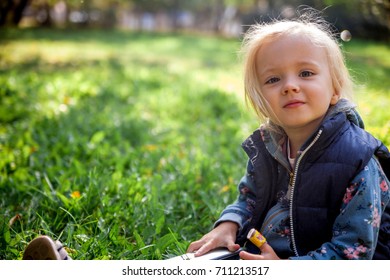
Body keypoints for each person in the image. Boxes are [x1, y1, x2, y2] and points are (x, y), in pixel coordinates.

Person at [187, 11, 390, 260]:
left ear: (335, 88)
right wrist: (229, 224)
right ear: (259, 99)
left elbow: (352, 254)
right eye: (273, 79)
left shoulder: (357, 160)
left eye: (306, 73)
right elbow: (249, 198)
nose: (290, 86)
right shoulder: (268, 146)